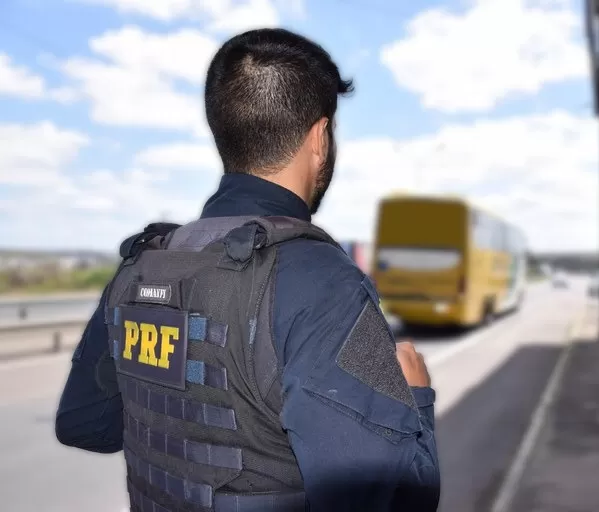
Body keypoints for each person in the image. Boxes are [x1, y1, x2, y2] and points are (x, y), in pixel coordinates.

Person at [55, 28, 440, 511]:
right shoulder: (322, 283)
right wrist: (416, 398)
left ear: (225, 131)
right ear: (319, 139)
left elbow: (85, 425)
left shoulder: (142, 265)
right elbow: (394, 500)